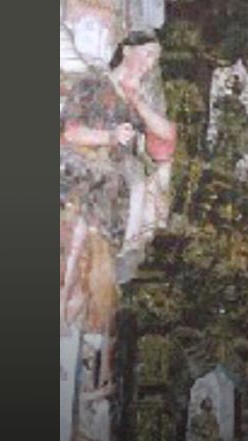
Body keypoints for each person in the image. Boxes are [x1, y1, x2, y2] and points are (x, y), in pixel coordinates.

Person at [60, 31, 176, 342]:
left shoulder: (137, 100)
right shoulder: (94, 82)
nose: (149, 64)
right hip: (78, 172)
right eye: (146, 54)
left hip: (111, 189)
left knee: (97, 267)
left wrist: (138, 101)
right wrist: (110, 137)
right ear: (126, 50)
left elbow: (167, 138)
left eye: (155, 59)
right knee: (79, 237)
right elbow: (69, 132)